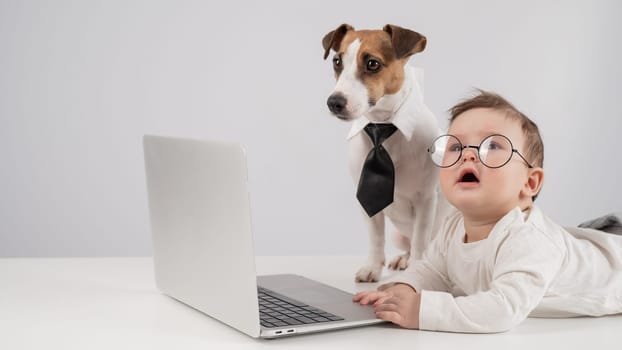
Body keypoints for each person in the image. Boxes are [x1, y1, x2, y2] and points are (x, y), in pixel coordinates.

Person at [353, 91, 622, 333]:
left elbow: (502, 309)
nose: (468, 155)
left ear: (529, 183)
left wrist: (421, 310)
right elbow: (434, 270)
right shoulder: (453, 226)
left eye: (492, 145)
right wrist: (406, 288)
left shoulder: (527, 239)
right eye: (456, 147)